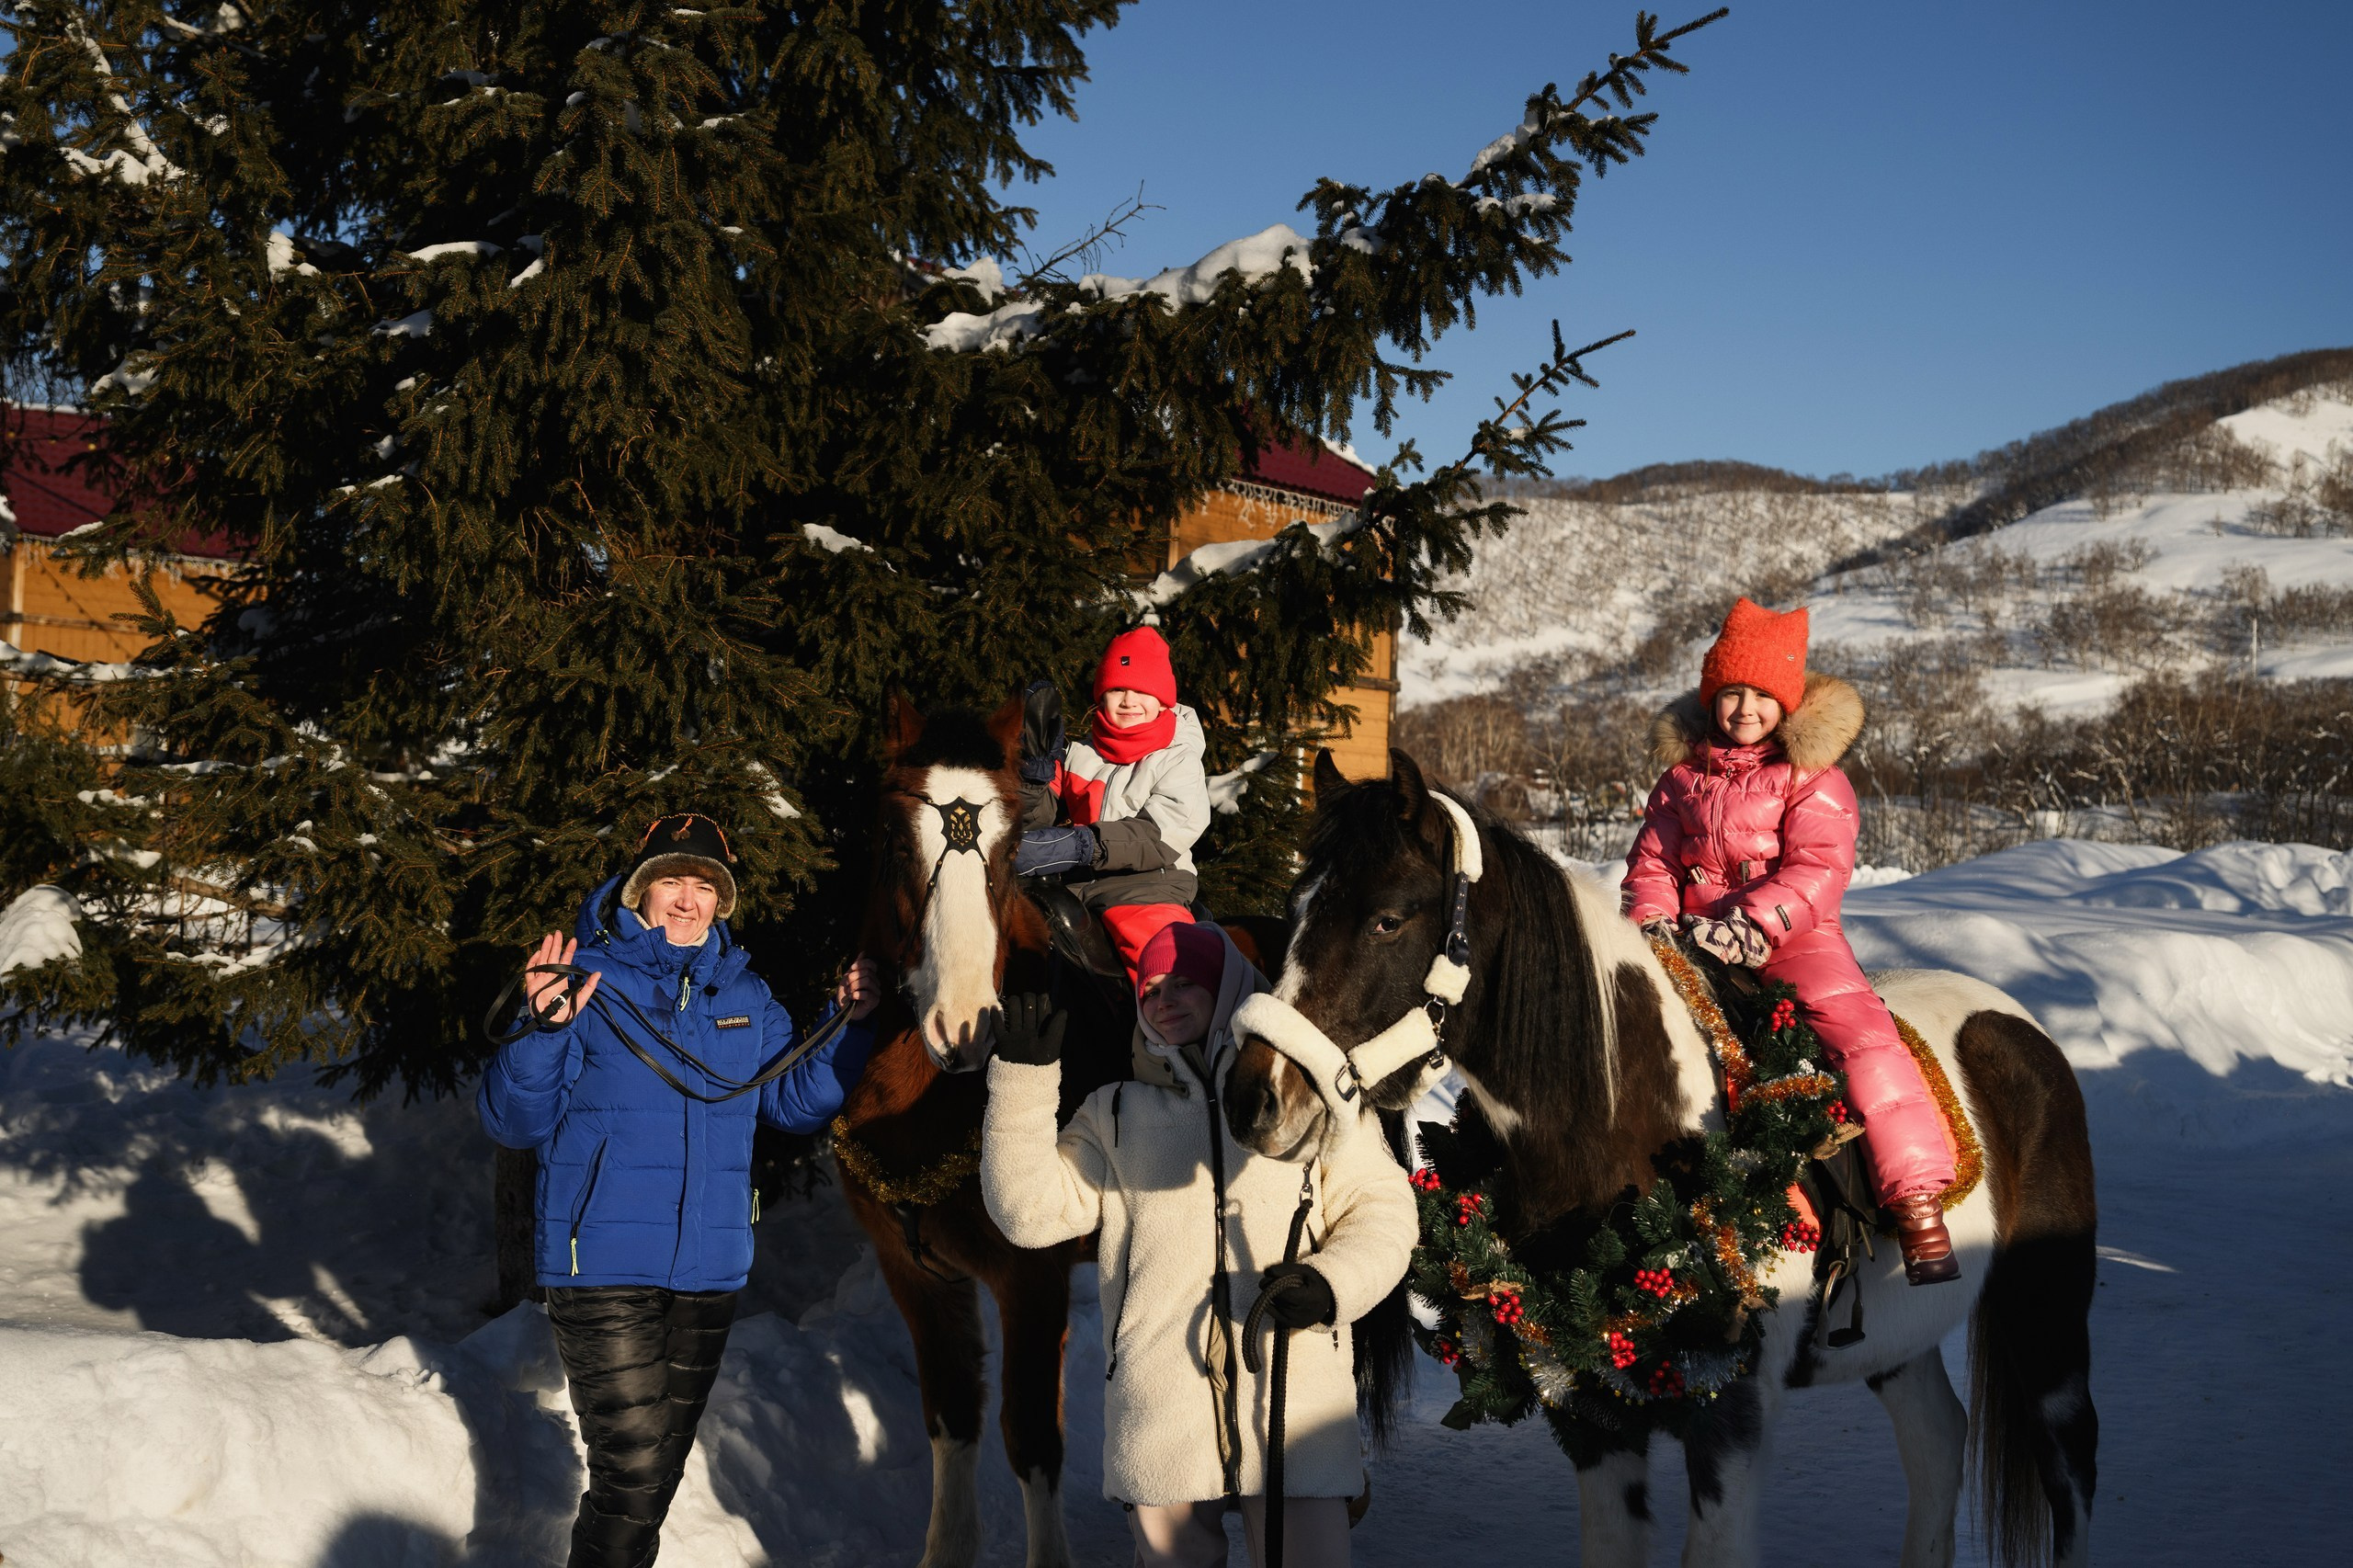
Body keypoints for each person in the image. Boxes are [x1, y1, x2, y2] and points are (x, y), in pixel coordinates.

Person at [478, 812, 882, 1568]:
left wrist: (847, 1027)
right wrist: (543, 1029)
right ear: (641, 891)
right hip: (601, 1263)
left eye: (704, 886)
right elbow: (513, 1121)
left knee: (653, 1475)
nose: (687, 899)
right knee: (631, 1468)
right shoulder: (587, 983)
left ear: (721, 902)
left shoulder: (748, 994)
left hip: (710, 1271)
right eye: (671, 880)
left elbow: (791, 1103)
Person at [981, 921, 1415, 1568]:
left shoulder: (1307, 1097)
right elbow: (1028, 1214)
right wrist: (1020, 1083)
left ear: (1234, 989)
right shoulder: (1114, 1113)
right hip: (1163, 1408)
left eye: (1187, 982)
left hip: (1293, 1398)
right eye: (1151, 986)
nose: (1165, 997)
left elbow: (1383, 1211)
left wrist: (1332, 1284)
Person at [1623, 597, 1961, 1285]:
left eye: (1761, 696)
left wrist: (1752, 924)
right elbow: (1651, 863)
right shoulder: (1682, 778)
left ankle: (1917, 1197)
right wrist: (1652, 923)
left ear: (1788, 704)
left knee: (1857, 1031)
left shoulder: (1813, 777)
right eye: (1730, 694)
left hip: (1792, 938)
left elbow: (1819, 869)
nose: (1744, 710)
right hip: (1689, 941)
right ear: (1710, 697)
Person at [1013, 625, 1213, 975]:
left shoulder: (1179, 759)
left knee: (1160, 965)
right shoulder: (1080, 754)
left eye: (1142, 690)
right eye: (1117, 688)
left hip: (1148, 888)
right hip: (1074, 886)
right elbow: (1037, 820)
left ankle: (1167, 1026)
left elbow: (1162, 835)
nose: (1129, 701)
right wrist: (1034, 776)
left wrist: (1081, 846)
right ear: (1100, 695)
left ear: (1163, 698)